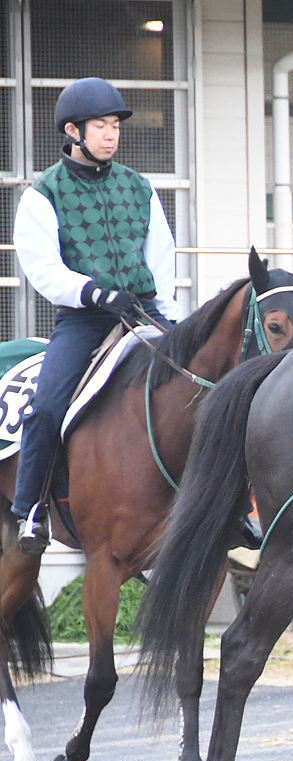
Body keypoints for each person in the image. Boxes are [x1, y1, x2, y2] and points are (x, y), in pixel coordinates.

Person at [11, 77, 181, 555]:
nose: (111, 135)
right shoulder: (41, 195)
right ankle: (29, 510)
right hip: (84, 319)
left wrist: (166, 316)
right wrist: (94, 294)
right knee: (46, 408)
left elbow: (161, 257)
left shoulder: (140, 188)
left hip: (145, 312)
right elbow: (43, 270)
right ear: (72, 130)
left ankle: (231, 512)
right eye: (100, 126)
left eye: (115, 126)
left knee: (209, 389)